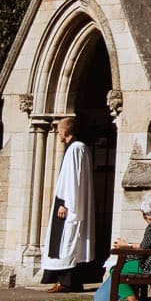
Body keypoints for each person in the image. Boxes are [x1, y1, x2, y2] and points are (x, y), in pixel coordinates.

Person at [39, 115, 95, 292]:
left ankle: (66, 282)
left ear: (65, 131)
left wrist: (64, 203)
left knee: (67, 242)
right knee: (70, 242)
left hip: (69, 204)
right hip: (73, 201)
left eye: (58, 130)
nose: (57, 134)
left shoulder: (75, 150)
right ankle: (71, 282)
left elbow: (72, 180)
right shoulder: (80, 148)